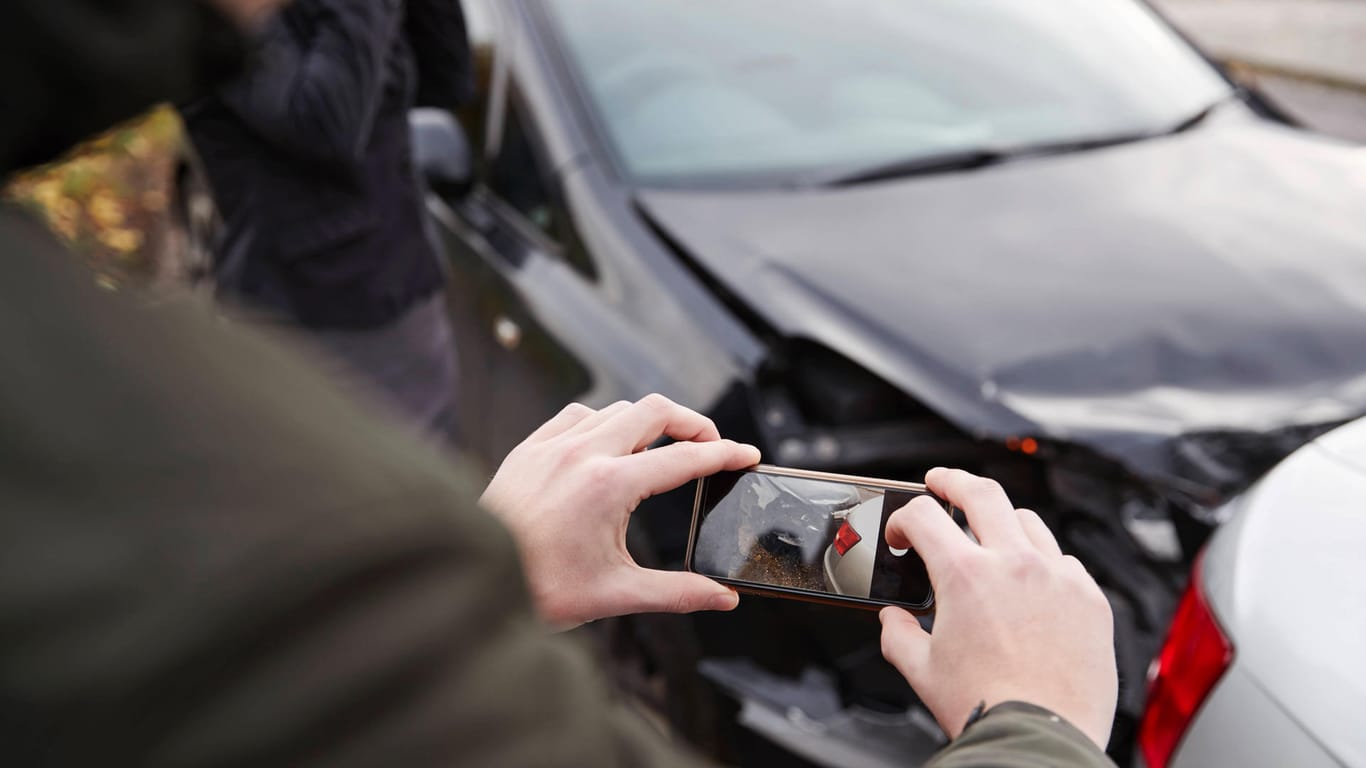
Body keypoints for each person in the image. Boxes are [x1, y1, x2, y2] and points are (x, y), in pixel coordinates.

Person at [0, 0, 1118, 766]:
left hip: (386, 282)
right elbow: (333, 117)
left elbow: (431, 78)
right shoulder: (301, 558)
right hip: (312, 295)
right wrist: (1034, 721)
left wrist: (493, 574)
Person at [179, 0, 474, 442]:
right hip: (310, 324)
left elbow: (447, 79)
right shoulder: (220, 17)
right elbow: (322, 121)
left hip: (405, 300)